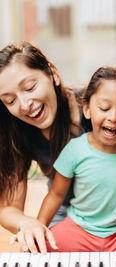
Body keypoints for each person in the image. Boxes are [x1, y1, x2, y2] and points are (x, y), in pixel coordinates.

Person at [35, 66, 116, 252]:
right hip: (78, 229)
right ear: (87, 108)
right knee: (38, 250)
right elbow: (56, 194)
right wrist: (39, 226)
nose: (113, 117)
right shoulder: (74, 149)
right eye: (104, 108)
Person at [0, 41, 82, 253]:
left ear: (52, 73)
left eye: (30, 88)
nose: (25, 104)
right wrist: (26, 223)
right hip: (66, 211)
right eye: (10, 101)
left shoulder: (95, 107)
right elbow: (9, 207)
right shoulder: (16, 130)